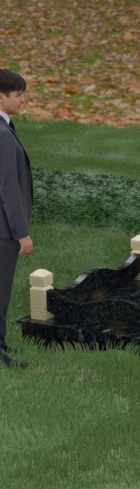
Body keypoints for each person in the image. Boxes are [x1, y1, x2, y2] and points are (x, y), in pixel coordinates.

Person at [0, 68, 32, 368]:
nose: (22, 100)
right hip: (3, 230)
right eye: (18, 95)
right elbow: (8, 188)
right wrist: (21, 232)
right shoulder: (3, 135)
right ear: (1, 97)